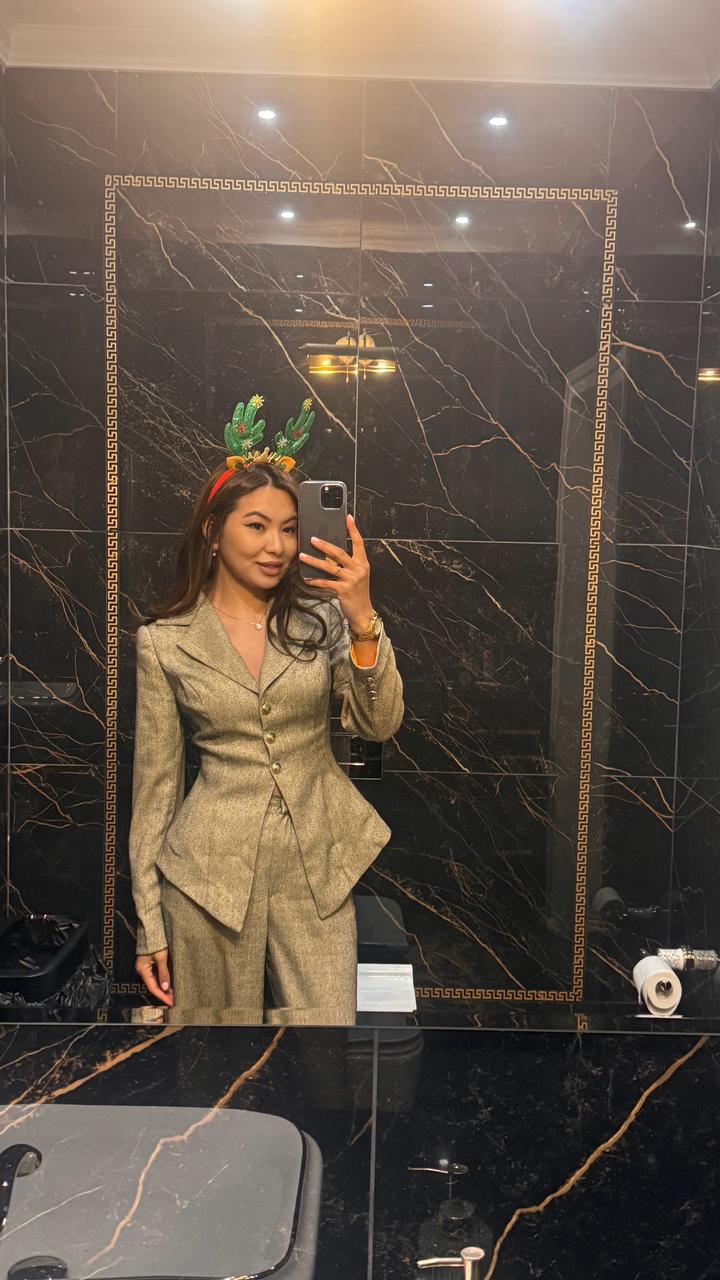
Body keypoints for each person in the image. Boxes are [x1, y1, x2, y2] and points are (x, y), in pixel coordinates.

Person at [129, 393, 404, 1024]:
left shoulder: (322, 618)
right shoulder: (165, 641)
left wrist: (362, 615)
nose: (276, 545)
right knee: (214, 1055)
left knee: (324, 1045)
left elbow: (378, 723)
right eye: (256, 526)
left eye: (288, 528)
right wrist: (149, 922)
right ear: (213, 531)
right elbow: (155, 789)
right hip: (208, 879)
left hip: (318, 866)